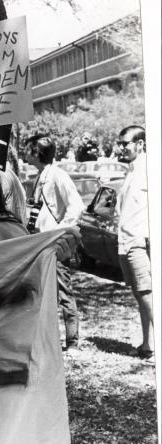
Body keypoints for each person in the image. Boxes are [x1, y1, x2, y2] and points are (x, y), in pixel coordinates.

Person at [24, 134, 84, 350]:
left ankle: (73, 341)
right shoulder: (41, 176)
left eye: (28, 149)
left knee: (63, 291)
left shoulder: (58, 175)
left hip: (54, 243)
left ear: (36, 152)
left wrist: (58, 233)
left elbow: (76, 206)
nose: (24, 153)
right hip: (41, 242)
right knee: (44, 292)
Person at [115, 125, 153, 361]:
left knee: (147, 294)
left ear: (140, 144)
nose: (121, 147)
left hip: (139, 241)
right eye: (120, 143)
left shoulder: (149, 167)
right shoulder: (131, 171)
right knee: (140, 296)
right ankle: (147, 345)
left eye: (126, 143)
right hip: (125, 241)